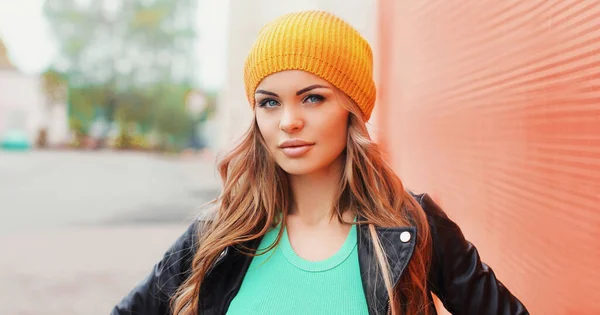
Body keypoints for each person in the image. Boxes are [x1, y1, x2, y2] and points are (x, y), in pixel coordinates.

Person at [112, 10, 529, 315]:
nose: (289, 121)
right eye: (269, 102)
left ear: (352, 109)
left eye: (313, 97)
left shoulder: (410, 226)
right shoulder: (219, 235)